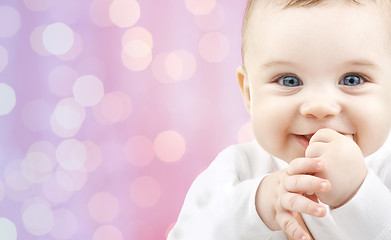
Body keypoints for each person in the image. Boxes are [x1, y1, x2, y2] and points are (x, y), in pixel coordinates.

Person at [168, 0, 391, 239]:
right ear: (249, 94)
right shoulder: (237, 169)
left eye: (352, 80)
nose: (319, 107)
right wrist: (257, 206)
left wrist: (358, 194)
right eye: (289, 81)